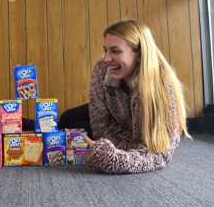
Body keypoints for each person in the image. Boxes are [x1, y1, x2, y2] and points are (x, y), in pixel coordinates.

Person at [60, 20, 190, 173]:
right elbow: (100, 126)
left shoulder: (162, 88)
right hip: (114, 114)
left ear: (140, 54)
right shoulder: (102, 68)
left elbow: (160, 154)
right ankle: (28, 126)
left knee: (77, 128)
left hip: (129, 128)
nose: (107, 59)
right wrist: (130, 146)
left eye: (115, 51)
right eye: (105, 50)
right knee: (67, 119)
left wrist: (115, 158)